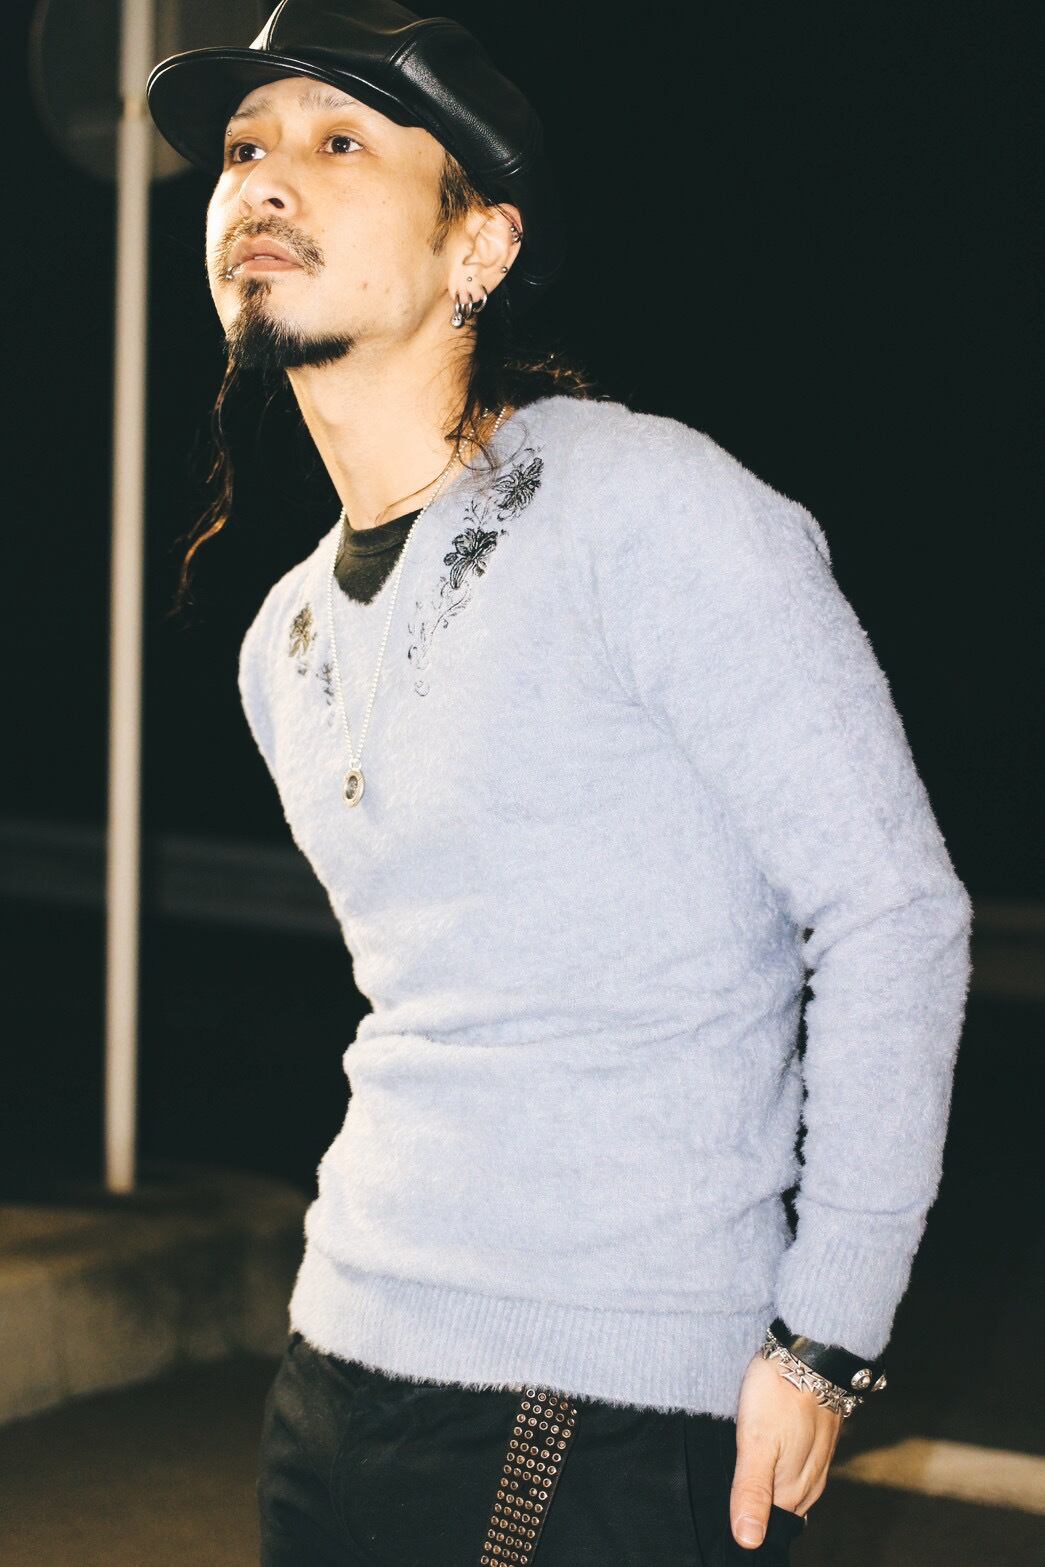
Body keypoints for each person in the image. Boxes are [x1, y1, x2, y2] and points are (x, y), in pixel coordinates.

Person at [147, 3, 974, 1563]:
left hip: (598, 1393)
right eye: (243, 151)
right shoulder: (285, 637)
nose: (266, 179)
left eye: (339, 142)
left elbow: (890, 911)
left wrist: (825, 1335)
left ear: (480, 246)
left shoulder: (648, 510)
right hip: (335, 1362)